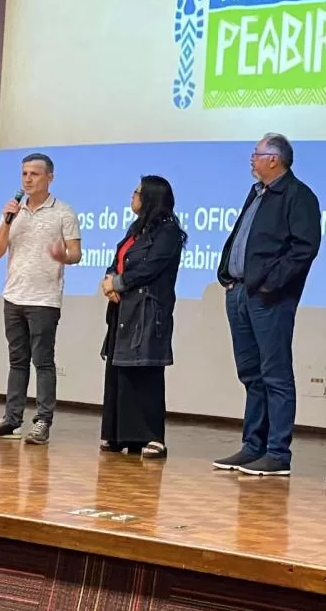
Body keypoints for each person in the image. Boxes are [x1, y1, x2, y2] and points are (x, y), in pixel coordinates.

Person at [213, 133, 321, 476]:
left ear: (274, 159)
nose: (251, 158)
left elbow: (304, 248)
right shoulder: (257, 192)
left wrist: (270, 283)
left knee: (275, 374)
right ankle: (252, 447)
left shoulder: (298, 195)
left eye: (256, 153)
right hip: (239, 293)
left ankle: (277, 453)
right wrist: (228, 276)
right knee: (251, 374)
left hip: (269, 298)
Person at [0, 153, 81, 445]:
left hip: (44, 299)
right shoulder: (13, 211)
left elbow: (76, 254)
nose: (27, 179)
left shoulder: (64, 212)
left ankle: (43, 421)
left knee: (43, 361)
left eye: (34, 174)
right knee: (17, 360)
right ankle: (12, 419)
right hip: (13, 295)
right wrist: (7, 221)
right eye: (24, 173)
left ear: (50, 177)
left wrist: (63, 256)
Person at [98, 175, 186, 459]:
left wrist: (118, 283)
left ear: (150, 198)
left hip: (148, 311)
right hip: (123, 309)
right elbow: (119, 261)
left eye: (137, 192)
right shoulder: (136, 229)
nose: (132, 196)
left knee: (144, 372)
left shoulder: (168, 232)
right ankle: (119, 435)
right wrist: (109, 280)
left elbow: (150, 268)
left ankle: (151, 437)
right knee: (119, 371)